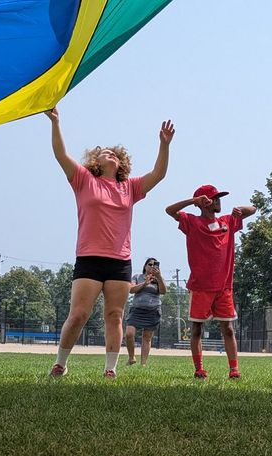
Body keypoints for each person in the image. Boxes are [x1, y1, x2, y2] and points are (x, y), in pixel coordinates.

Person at [45, 108, 174, 378]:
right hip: (89, 258)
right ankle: (60, 363)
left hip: (119, 261)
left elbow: (158, 174)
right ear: (96, 161)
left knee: (114, 315)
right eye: (105, 153)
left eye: (115, 153)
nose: (111, 155)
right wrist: (56, 122)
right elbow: (60, 154)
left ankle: (110, 369)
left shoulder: (130, 187)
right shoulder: (83, 179)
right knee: (79, 314)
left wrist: (164, 145)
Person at [165, 185, 256, 379]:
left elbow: (253, 209)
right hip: (200, 287)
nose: (217, 201)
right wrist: (192, 201)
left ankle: (234, 369)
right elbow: (169, 210)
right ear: (202, 202)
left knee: (228, 329)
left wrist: (241, 210)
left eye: (218, 198)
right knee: (197, 329)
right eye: (213, 198)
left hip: (224, 287)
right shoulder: (192, 222)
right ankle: (199, 368)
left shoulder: (227, 221)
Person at [124, 257, 166, 365]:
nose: (152, 267)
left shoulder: (158, 279)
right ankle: (131, 357)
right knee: (129, 334)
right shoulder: (137, 277)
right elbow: (131, 289)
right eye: (150, 264)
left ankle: (143, 363)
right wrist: (144, 283)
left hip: (153, 311)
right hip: (137, 310)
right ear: (145, 266)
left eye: (154, 265)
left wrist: (159, 277)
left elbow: (163, 291)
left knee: (147, 337)